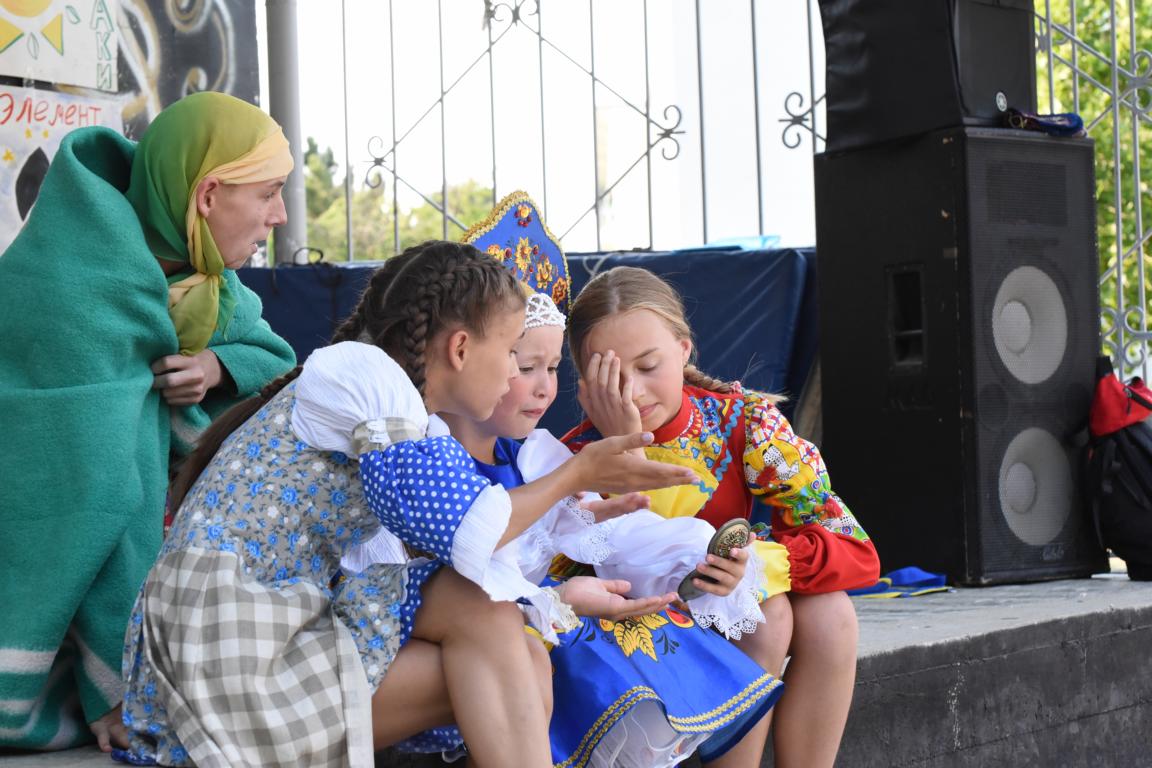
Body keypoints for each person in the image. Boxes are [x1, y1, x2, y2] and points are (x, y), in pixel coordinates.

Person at [119, 240, 697, 767]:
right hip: (232, 648)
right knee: (490, 623)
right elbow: (468, 530)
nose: (514, 375)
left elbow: (466, 546)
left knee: (516, 644)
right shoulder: (366, 375)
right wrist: (578, 472)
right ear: (461, 348)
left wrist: (563, 530)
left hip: (282, 627)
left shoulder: (406, 416)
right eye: (512, 355)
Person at [345, 193, 783, 767]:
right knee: (548, 652)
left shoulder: (535, 458)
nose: (542, 387)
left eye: (552, 368)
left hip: (512, 636)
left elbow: (619, 538)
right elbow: (447, 578)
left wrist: (701, 555)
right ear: (461, 353)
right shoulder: (414, 456)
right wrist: (556, 600)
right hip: (438, 648)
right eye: (522, 364)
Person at [0, 92, 296, 751]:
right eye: (269, 193)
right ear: (208, 196)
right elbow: (90, 497)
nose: (278, 216)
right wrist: (121, 688)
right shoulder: (65, 286)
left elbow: (276, 361)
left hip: (136, 552)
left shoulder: (208, 281)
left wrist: (216, 367)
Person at [563, 265, 882, 768]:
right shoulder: (571, 461)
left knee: (830, 614)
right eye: (612, 378)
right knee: (770, 616)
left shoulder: (744, 423)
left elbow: (854, 549)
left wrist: (754, 564)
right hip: (635, 627)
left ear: (684, 349)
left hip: (731, 618)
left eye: (649, 366)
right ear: (585, 385)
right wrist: (626, 451)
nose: (635, 393)